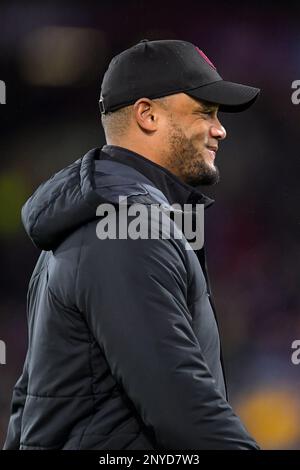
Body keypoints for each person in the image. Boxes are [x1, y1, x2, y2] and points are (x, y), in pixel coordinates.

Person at [4, 39, 260, 450]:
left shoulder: (96, 216)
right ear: (148, 114)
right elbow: (182, 408)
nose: (220, 128)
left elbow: (28, 400)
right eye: (204, 112)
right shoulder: (127, 226)